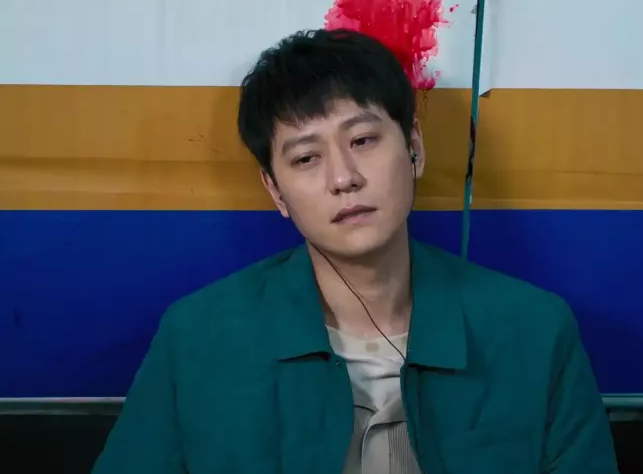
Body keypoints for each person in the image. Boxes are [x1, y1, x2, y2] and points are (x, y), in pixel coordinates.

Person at [92, 29, 618, 474]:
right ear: (275, 191)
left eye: (363, 140)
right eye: (306, 158)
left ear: (414, 147)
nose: (343, 177)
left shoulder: (534, 331)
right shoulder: (197, 339)